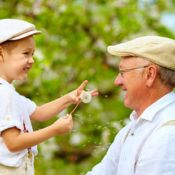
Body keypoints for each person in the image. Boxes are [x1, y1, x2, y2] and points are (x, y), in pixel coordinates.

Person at [0, 19, 98, 175]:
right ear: (1, 54)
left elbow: (39, 113)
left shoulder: (9, 92)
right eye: (25, 53)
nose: (32, 60)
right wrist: (54, 130)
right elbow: (13, 143)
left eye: (32, 54)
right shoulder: (3, 94)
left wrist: (68, 98)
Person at [86, 36, 175, 175]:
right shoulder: (132, 129)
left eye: (123, 72)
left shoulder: (166, 136)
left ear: (150, 75)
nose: (117, 81)